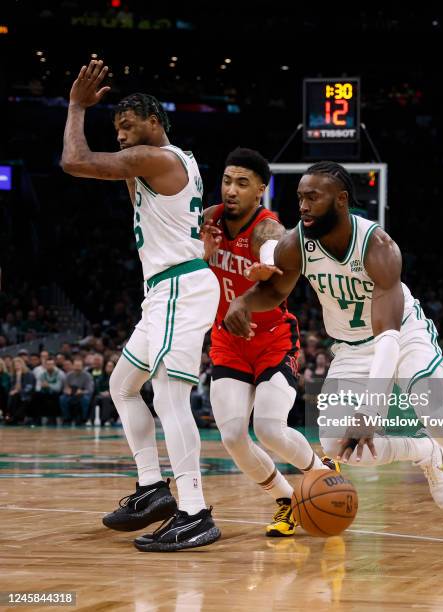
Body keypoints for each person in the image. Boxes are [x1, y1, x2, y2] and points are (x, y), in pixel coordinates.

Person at [224, 161, 443, 567]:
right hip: (351, 346)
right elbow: (272, 288)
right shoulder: (298, 243)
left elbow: (388, 335)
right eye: (300, 196)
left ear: (340, 200)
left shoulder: (378, 246)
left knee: (437, 414)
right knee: (337, 445)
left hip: (402, 334)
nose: (302, 205)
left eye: (312, 197)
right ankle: (423, 452)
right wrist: (244, 301)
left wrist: (370, 410)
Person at [61, 59, 221, 552]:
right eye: (118, 129)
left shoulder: (158, 158)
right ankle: (153, 488)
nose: (123, 137)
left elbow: (75, 161)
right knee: (123, 385)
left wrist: (74, 107)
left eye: (127, 127)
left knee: (169, 395)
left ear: (154, 122)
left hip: (180, 287)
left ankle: (195, 511)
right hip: (164, 290)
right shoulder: (167, 162)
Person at [202, 147, 339, 537]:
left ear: (260, 190)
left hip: (272, 339)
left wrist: (265, 262)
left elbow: (270, 244)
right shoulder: (208, 220)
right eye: (227, 181)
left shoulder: (269, 227)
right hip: (227, 341)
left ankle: (319, 472)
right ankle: (286, 499)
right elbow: (183, 261)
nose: (231, 190)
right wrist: (200, 253)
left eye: (242, 183)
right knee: (230, 436)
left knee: (268, 428)